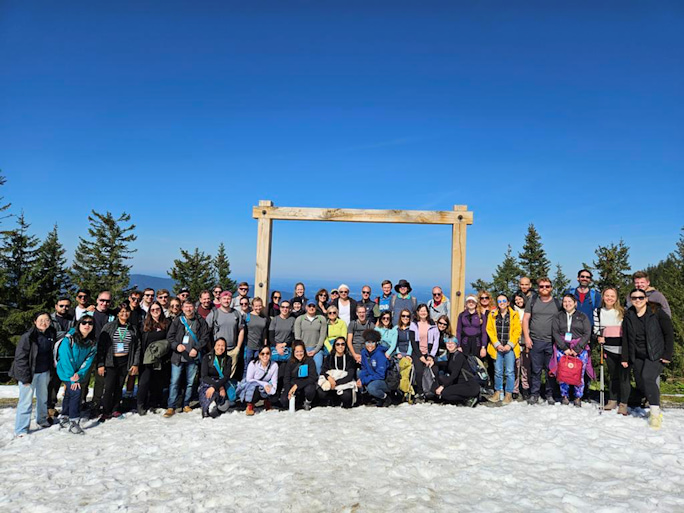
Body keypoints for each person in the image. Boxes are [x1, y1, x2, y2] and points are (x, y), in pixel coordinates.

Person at [623, 289, 674, 429]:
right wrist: (625, 357)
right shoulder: (629, 315)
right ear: (631, 300)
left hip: (655, 354)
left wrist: (667, 354)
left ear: (646, 299)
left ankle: (655, 414)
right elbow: (626, 338)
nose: (637, 300)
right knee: (641, 381)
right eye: (634, 298)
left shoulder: (657, 312)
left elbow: (668, 333)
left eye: (640, 297)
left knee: (648, 378)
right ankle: (653, 406)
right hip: (637, 354)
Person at [10, 312, 57, 437]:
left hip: (44, 372)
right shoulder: (28, 336)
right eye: (41, 320)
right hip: (29, 374)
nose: (44, 322)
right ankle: (21, 429)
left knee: (43, 399)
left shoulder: (51, 333)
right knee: (26, 402)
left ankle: (42, 420)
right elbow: (20, 359)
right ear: (34, 321)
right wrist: (25, 377)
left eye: (47, 320)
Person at [97, 301, 141, 421]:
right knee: (109, 386)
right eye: (121, 312)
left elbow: (137, 347)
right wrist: (100, 364)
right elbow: (101, 346)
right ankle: (105, 410)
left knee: (119, 386)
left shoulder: (133, 328)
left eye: (126, 311)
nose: (124, 314)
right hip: (111, 361)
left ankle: (116, 408)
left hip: (125, 361)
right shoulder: (109, 326)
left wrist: (135, 363)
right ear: (117, 314)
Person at [165, 300, 210, 417]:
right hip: (178, 357)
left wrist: (197, 348)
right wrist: (176, 345)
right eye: (186, 307)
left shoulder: (200, 321)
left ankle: (186, 404)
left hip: (193, 357)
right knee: (174, 382)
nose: (188, 309)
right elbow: (170, 337)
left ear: (194, 308)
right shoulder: (177, 321)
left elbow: (205, 337)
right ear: (182, 308)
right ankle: (171, 406)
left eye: (190, 307)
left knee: (190, 383)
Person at [523, 277, 562, 405]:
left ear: (551, 288)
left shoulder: (557, 303)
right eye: (541, 286)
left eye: (547, 286)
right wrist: (527, 338)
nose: (544, 288)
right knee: (536, 370)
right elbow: (526, 319)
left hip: (552, 342)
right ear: (538, 288)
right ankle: (535, 394)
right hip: (535, 341)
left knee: (550, 370)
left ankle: (550, 394)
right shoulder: (532, 301)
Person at [55, 316, 97, 434]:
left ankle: (64, 416)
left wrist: (79, 374)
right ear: (79, 324)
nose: (87, 325)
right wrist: (72, 377)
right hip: (65, 371)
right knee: (76, 391)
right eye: (84, 322)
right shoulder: (69, 339)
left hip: (77, 373)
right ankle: (74, 421)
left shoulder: (92, 342)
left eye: (90, 323)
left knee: (69, 392)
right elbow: (65, 357)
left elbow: (88, 361)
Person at [550, 294, 593, 407]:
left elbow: (587, 333)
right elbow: (555, 332)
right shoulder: (558, 316)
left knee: (579, 373)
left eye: (570, 301)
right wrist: (564, 348)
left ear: (575, 303)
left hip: (579, 348)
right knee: (563, 373)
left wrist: (577, 348)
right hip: (562, 348)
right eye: (565, 301)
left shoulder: (582, 316)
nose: (567, 304)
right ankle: (564, 396)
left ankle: (578, 396)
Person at [594, 287, 629, 415]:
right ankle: (612, 400)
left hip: (623, 350)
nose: (609, 298)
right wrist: (599, 336)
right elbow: (596, 329)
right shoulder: (598, 311)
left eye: (612, 296)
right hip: (608, 349)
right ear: (603, 297)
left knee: (624, 377)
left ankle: (623, 403)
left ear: (616, 298)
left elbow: (628, 331)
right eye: (607, 295)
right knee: (613, 375)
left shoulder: (623, 312)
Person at [486, 294, 521, 404]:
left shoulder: (514, 315)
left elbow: (517, 331)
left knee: (510, 371)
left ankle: (508, 394)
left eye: (504, 300)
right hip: (497, 348)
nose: (501, 302)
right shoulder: (492, 315)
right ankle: (498, 392)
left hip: (509, 347)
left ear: (508, 303)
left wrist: (509, 345)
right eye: (499, 300)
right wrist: (496, 344)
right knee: (498, 371)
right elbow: (489, 330)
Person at [137, 301, 170, 415]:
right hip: (145, 358)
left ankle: (153, 404)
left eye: (158, 309)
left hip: (160, 358)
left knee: (157, 382)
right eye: (153, 310)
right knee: (144, 382)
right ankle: (140, 404)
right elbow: (139, 342)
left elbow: (169, 340)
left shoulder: (166, 323)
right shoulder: (144, 325)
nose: (155, 311)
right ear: (149, 312)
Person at [205, 291, 245, 379]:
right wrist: (210, 348)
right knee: (217, 374)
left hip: (232, 350)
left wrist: (238, 348)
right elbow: (206, 333)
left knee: (229, 376)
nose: (226, 301)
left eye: (228, 299)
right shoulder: (214, 314)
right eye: (224, 299)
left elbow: (241, 330)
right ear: (220, 300)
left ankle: (227, 392)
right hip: (217, 350)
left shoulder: (236, 314)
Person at [432, 336, 480, 406]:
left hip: (469, 385)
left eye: (452, 343)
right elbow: (448, 363)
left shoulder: (459, 356)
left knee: (445, 393)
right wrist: (434, 362)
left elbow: (454, 375)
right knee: (440, 380)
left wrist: (442, 386)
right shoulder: (452, 354)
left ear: (456, 344)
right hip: (460, 383)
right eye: (448, 343)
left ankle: (469, 398)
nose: (449, 345)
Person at [49, 296, 75, 417]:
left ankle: (68, 406)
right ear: (56, 306)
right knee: (51, 382)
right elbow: (51, 335)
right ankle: (49, 406)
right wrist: (66, 334)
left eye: (67, 306)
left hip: (66, 355)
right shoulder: (50, 319)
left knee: (61, 381)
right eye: (61, 305)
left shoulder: (72, 319)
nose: (64, 308)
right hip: (51, 355)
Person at [317, 336, 357, 408]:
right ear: (334, 346)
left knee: (346, 396)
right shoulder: (329, 357)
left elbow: (350, 375)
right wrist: (329, 378)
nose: (340, 346)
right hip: (330, 382)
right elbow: (323, 371)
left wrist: (335, 382)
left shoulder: (350, 359)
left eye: (342, 344)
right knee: (320, 392)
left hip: (343, 382)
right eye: (338, 344)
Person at [239, 346, 278, 415]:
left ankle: (267, 403)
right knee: (253, 387)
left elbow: (274, 382)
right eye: (262, 353)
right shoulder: (253, 364)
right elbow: (249, 380)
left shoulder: (274, 365)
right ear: (259, 355)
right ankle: (250, 405)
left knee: (274, 395)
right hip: (253, 387)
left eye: (267, 353)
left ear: (270, 355)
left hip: (266, 388)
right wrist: (264, 384)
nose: (265, 355)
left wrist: (270, 389)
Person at [199, 338, 232, 418]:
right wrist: (214, 386)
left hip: (221, 382)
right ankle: (206, 408)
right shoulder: (207, 357)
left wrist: (218, 386)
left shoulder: (228, 359)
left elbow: (227, 376)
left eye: (223, 346)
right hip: (208, 382)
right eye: (218, 345)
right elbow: (204, 376)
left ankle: (217, 406)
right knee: (208, 393)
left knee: (225, 405)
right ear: (214, 346)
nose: (220, 348)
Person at [357, 330, 392, 407]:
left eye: (372, 342)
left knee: (372, 387)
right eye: (367, 342)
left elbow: (381, 375)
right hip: (373, 375)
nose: (370, 345)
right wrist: (362, 379)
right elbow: (364, 368)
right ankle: (366, 396)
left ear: (376, 343)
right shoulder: (364, 352)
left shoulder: (380, 354)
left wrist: (364, 380)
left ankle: (385, 397)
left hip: (384, 380)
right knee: (359, 374)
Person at [281, 340, 317, 411]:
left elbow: (312, 378)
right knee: (284, 400)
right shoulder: (290, 362)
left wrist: (297, 385)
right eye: (297, 352)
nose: (299, 354)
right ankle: (297, 402)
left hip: (306, 384)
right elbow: (287, 379)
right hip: (293, 385)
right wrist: (288, 390)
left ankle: (307, 402)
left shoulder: (309, 361)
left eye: (301, 351)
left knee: (310, 390)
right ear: (293, 352)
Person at [294, 301, 327, 373]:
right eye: (309, 306)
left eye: (313, 306)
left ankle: (316, 382)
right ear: (306, 307)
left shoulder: (321, 319)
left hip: (317, 349)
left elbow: (322, 336)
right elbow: (297, 337)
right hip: (303, 348)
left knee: (318, 365)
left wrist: (316, 350)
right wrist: (304, 350)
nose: (311, 308)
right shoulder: (300, 319)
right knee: (303, 368)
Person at [413, 304, 438, 397]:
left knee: (434, 370)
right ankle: (420, 391)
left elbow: (436, 341)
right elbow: (413, 342)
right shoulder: (414, 324)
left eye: (425, 311)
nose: (423, 313)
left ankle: (432, 391)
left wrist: (431, 356)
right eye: (421, 311)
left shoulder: (432, 325)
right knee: (419, 371)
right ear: (418, 313)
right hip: (417, 352)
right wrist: (421, 357)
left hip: (429, 352)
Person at [242, 297, 270, 376]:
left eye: (260, 306)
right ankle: (245, 383)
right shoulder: (247, 317)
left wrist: (264, 346)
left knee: (257, 367)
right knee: (247, 366)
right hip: (249, 346)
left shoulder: (264, 318)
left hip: (259, 347)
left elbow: (264, 334)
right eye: (256, 306)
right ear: (253, 306)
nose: (258, 308)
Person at [512, 292, 530, 399]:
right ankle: (515, 388)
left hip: (526, 340)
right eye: (516, 300)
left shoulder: (529, 310)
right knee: (516, 366)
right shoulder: (513, 312)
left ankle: (525, 387)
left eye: (520, 299)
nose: (519, 302)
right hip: (516, 341)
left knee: (525, 366)